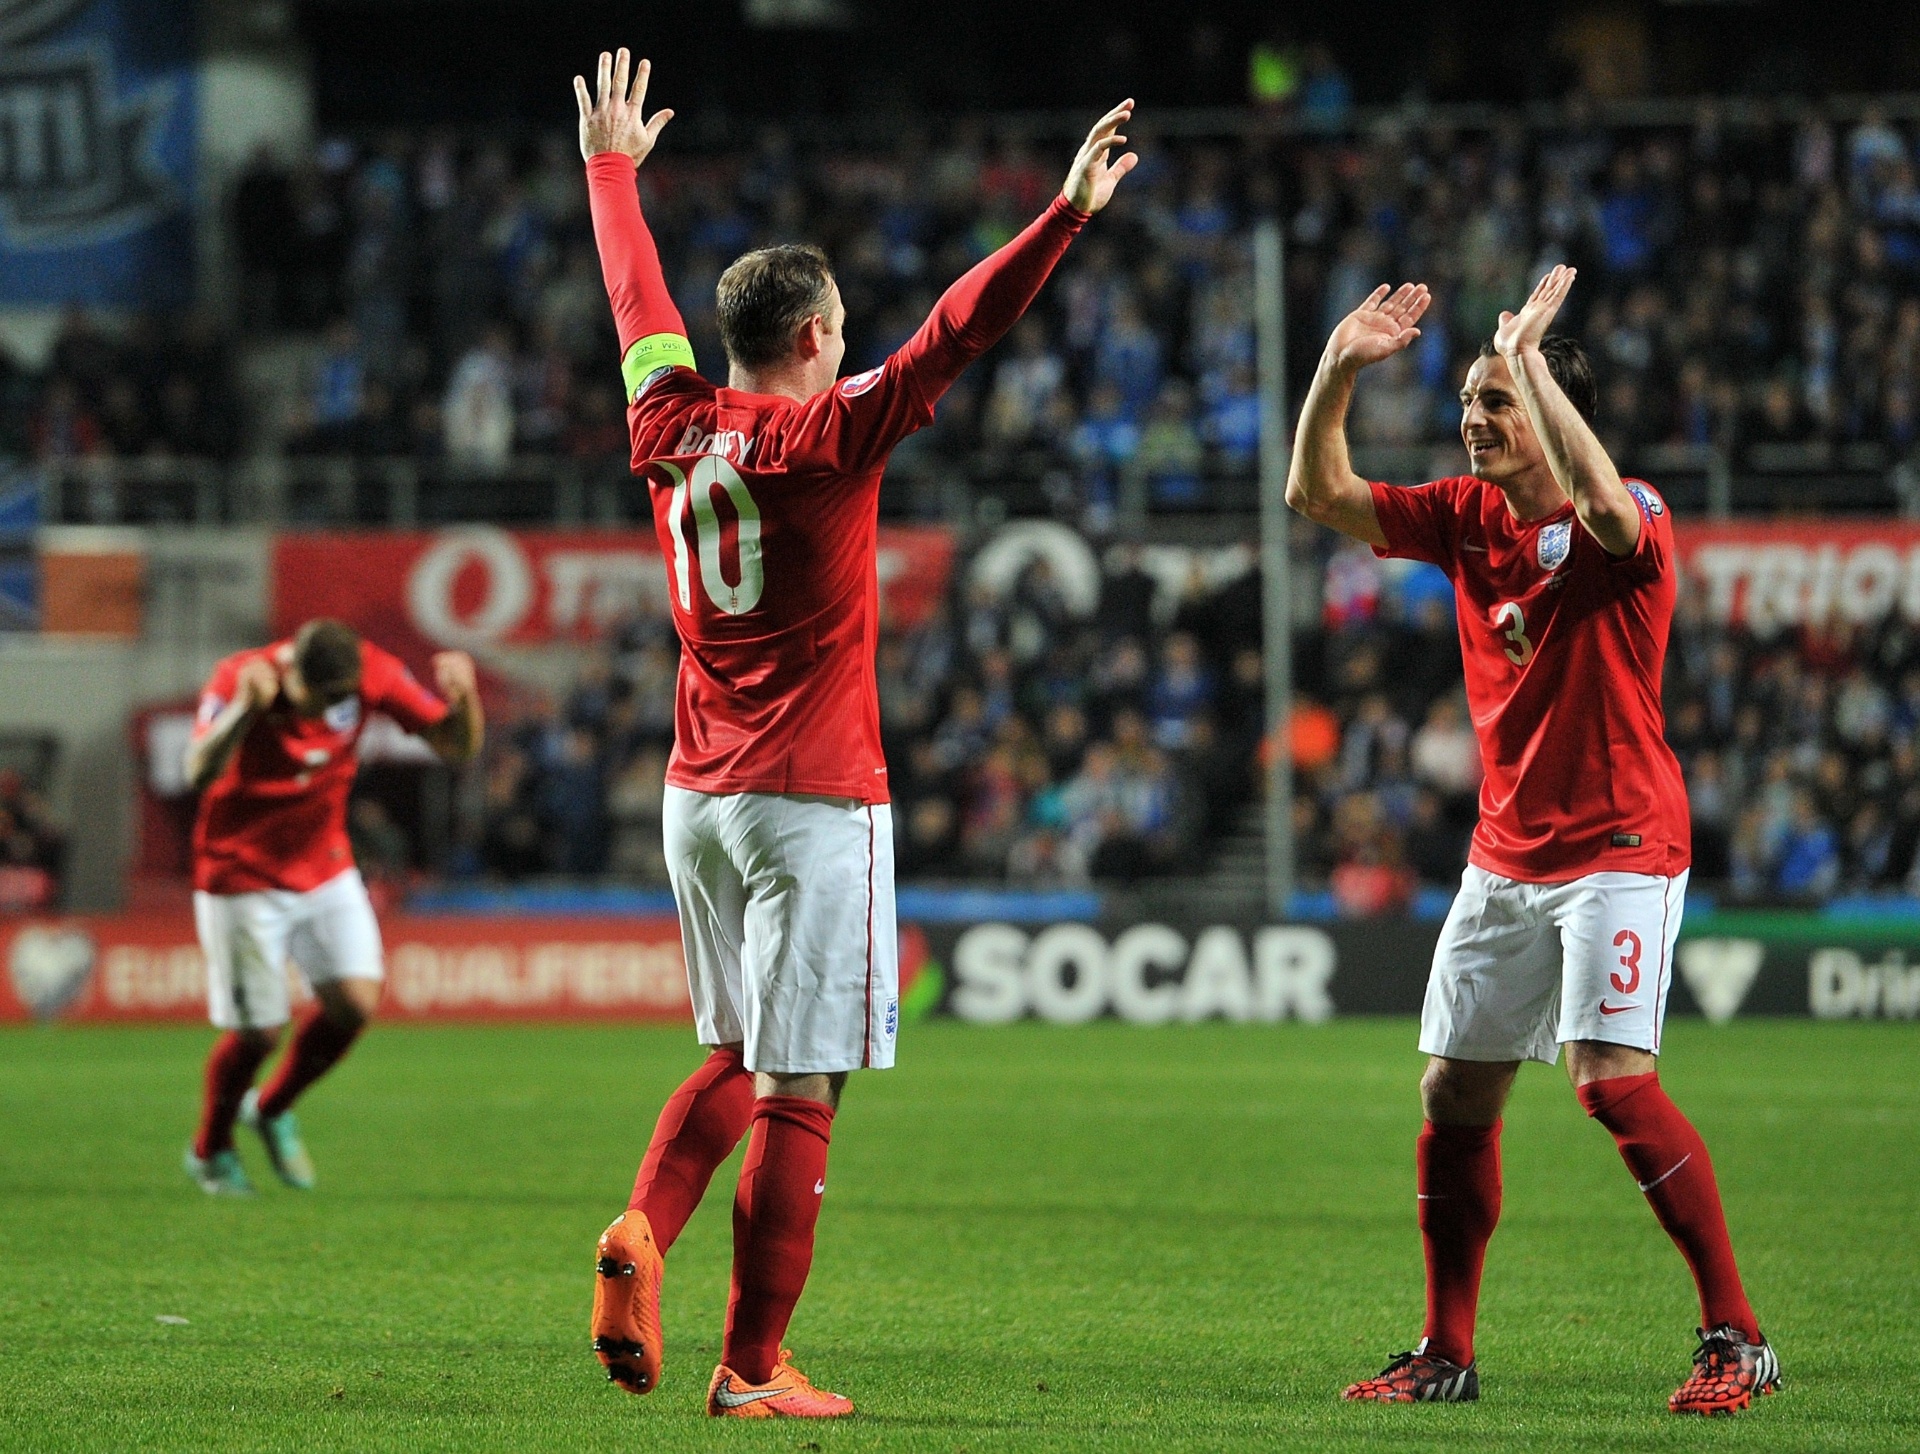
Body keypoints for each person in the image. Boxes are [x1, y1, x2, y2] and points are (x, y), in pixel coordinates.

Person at [575, 48, 1134, 1420]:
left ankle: (644, 1223)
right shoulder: (830, 434)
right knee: (801, 1082)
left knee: (735, 1052)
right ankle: (753, 1365)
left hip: (696, 794)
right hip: (813, 797)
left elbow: (635, 296)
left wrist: (611, 172)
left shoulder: (667, 417)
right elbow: (957, 329)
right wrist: (1063, 213)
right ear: (819, 335)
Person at [1287, 268, 1779, 1415]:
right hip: (1506, 855)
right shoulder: (1464, 517)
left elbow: (1601, 504)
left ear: (1556, 415)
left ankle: (1737, 1334)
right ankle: (1445, 1350)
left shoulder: (1630, 513)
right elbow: (1316, 492)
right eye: (1470, 397)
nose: (1474, 416)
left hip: (1620, 843)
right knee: (1454, 1088)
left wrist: (1534, 364)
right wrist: (1337, 366)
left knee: (1609, 1081)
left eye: (1498, 399)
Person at [181, 619, 482, 1196]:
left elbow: (456, 746)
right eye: (312, 700)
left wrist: (464, 699)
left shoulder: (372, 673)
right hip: (239, 871)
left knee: (355, 1003)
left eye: (333, 704)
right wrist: (244, 712)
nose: (319, 715)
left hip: (324, 863)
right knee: (258, 1035)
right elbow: (198, 770)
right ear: (291, 669)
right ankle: (210, 1151)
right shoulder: (240, 678)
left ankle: (269, 1108)